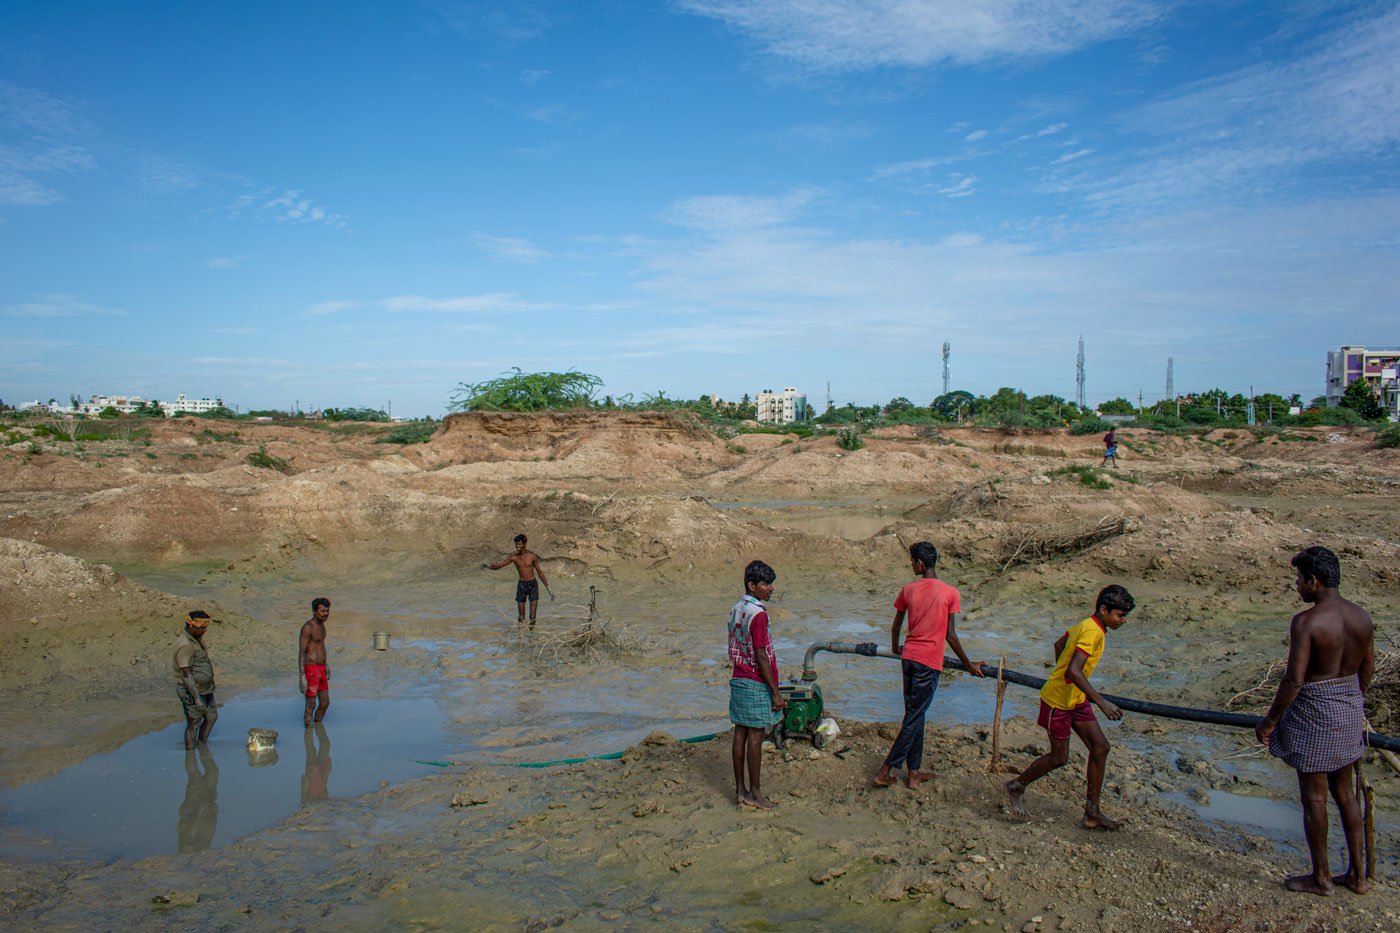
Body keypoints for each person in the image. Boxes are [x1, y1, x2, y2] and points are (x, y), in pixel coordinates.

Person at [1255, 546, 1374, 896]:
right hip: (1348, 709)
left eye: (1299, 579)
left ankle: (1321, 878)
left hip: (1316, 714)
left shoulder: (1306, 622)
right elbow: (1365, 671)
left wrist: (1270, 720)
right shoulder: (1362, 617)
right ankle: (1358, 875)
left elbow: (1294, 680)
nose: (1297, 585)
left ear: (1314, 580)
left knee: (1315, 798)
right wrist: (1348, 701)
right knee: (1346, 794)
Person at [1005, 584, 1135, 829]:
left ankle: (1092, 812)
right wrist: (1101, 701)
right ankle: (1017, 785)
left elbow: (1058, 646)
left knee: (1100, 747)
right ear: (1104, 610)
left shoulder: (1088, 624)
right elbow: (1074, 670)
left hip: (1075, 698)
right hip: (1058, 702)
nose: (1123, 621)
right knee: (1059, 757)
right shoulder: (1092, 632)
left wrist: (1065, 677)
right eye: (1120, 615)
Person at [873, 541, 985, 789]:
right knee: (914, 717)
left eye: (912, 562)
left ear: (920, 564)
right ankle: (884, 771)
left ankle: (913, 773)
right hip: (928, 662)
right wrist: (969, 664)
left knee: (915, 715)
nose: (911, 565)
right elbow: (951, 635)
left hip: (909, 660)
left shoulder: (908, 589)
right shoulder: (950, 592)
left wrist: (895, 648)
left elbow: (895, 626)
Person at [728, 559, 785, 810]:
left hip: (738, 677)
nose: (770, 588)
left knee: (740, 733)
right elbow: (761, 654)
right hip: (755, 680)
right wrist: (775, 693)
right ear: (752, 586)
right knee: (755, 738)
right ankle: (756, 793)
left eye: (771, 583)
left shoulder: (736, 609)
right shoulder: (759, 614)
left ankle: (740, 789)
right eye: (765, 584)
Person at [483, 533, 552, 626]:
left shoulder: (532, 556)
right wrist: (486, 566)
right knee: (521, 616)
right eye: (516, 544)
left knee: (532, 616)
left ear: (525, 544)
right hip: (521, 586)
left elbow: (539, 572)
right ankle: (520, 638)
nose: (517, 546)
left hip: (533, 585)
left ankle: (531, 637)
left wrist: (548, 588)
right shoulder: (514, 557)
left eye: (519, 544)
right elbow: (498, 566)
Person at [173, 609, 218, 750]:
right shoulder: (186, 645)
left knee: (211, 716)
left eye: (205, 627)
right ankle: (191, 755)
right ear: (191, 626)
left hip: (204, 689)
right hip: (191, 690)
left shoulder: (196, 639)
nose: (204, 631)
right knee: (193, 724)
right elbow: (186, 675)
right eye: (202, 628)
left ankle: (202, 746)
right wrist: (197, 698)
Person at [299, 597, 332, 727]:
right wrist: (302, 677)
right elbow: (301, 653)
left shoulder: (322, 626)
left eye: (327, 611)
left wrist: (326, 665)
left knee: (325, 703)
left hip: (321, 668)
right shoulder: (308, 627)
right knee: (310, 704)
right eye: (323, 611)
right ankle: (308, 736)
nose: (326, 614)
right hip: (311, 669)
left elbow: (320, 647)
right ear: (314, 611)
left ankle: (318, 728)